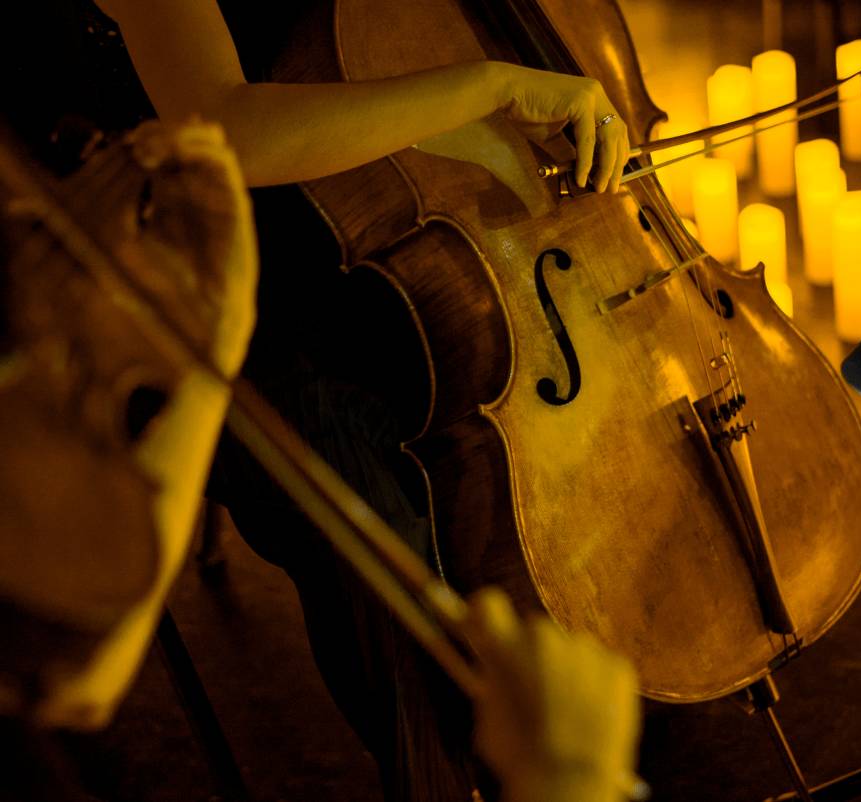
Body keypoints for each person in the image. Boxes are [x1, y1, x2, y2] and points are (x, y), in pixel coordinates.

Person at [3, 1, 635, 799]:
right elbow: (230, 124)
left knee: (496, 390)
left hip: (333, 208)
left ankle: (583, 714)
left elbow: (343, 62)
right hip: (169, 267)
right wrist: (493, 86)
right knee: (371, 528)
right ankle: (453, 775)